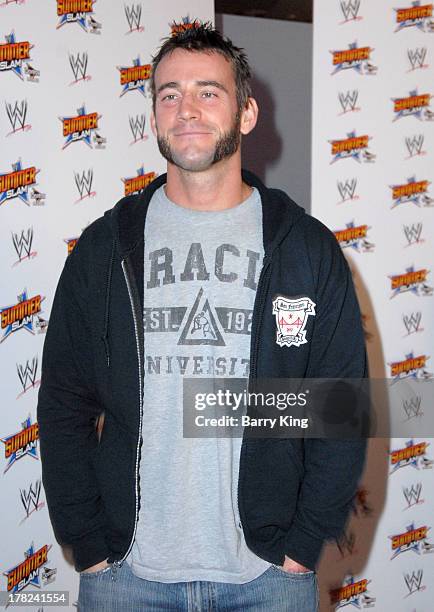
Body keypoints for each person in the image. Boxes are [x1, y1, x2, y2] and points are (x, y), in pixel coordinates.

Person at [38, 23, 367, 611]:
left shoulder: (306, 249)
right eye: (169, 94)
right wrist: (88, 544)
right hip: (125, 577)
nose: (185, 108)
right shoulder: (104, 247)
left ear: (246, 113)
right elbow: (63, 402)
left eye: (207, 91)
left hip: (268, 577)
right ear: (154, 116)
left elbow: (339, 405)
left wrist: (300, 547)